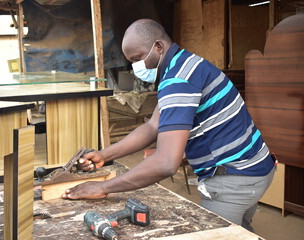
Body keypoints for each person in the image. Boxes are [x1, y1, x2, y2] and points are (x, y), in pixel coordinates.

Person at [62, 19, 275, 232]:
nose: (136, 67)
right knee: (240, 232)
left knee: (216, 234)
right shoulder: (184, 65)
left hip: (234, 179)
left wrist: (102, 187)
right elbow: (153, 126)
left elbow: (165, 163)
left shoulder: (178, 80)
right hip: (255, 166)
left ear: (158, 47)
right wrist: (104, 155)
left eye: (137, 58)